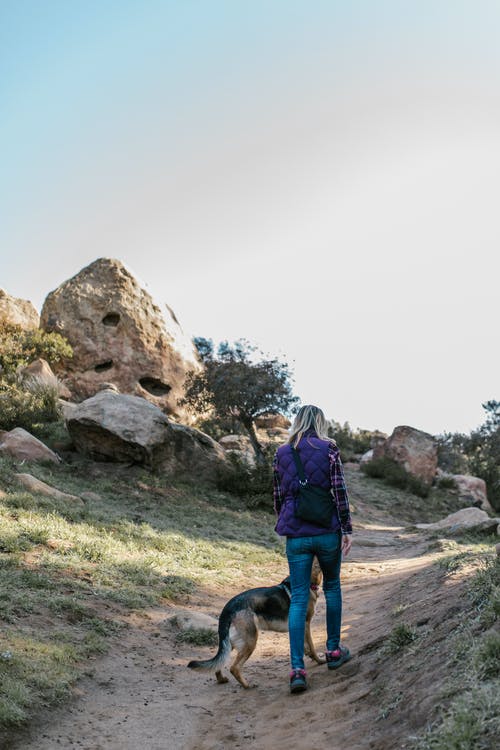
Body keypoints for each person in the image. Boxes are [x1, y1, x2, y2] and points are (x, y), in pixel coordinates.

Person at [273, 404, 352, 694]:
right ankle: (333, 651)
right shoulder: (329, 448)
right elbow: (339, 490)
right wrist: (347, 528)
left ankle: (297, 669)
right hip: (327, 529)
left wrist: (286, 522)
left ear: (297, 421)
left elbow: (279, 494)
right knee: (332, 588)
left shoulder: (282, 452)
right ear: (320, 422)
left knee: (297, 599)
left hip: (297, 533)